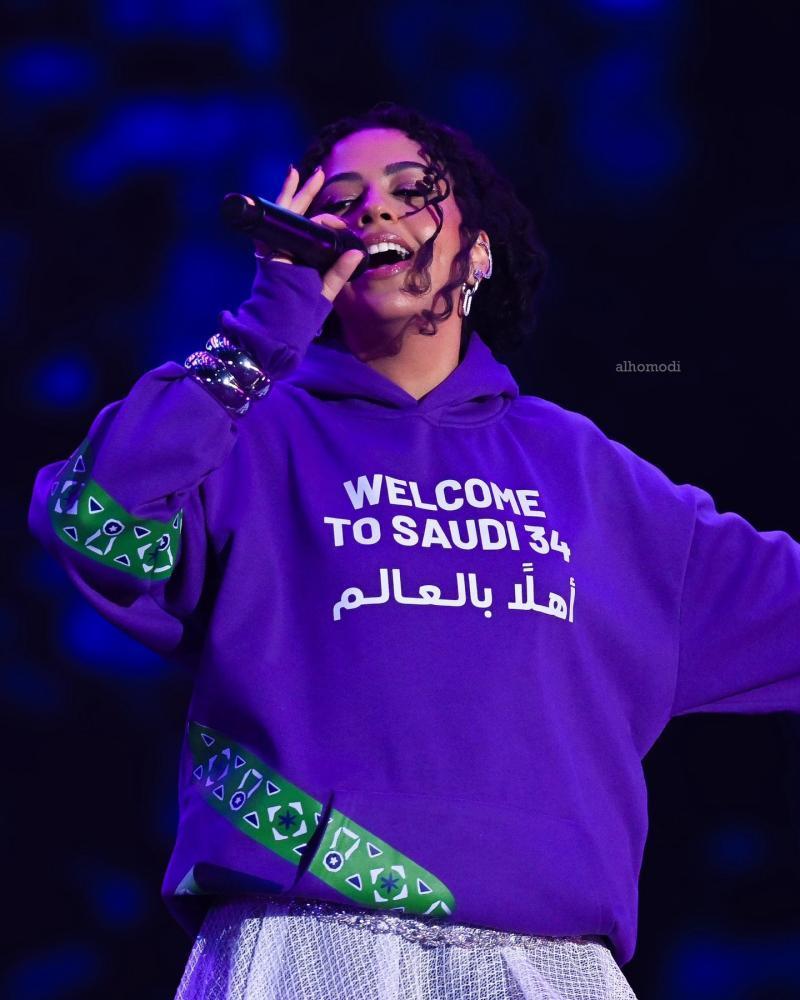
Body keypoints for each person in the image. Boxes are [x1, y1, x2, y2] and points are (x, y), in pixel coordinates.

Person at [27, 101, 800, 1000]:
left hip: (547, 962)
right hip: (306, 942)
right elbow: (90, 514)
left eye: (411, 190)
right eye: (340, 201)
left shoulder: (590, 473)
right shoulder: (247, 437)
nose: (373, 211)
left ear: (479, 252)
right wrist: (265, 325)